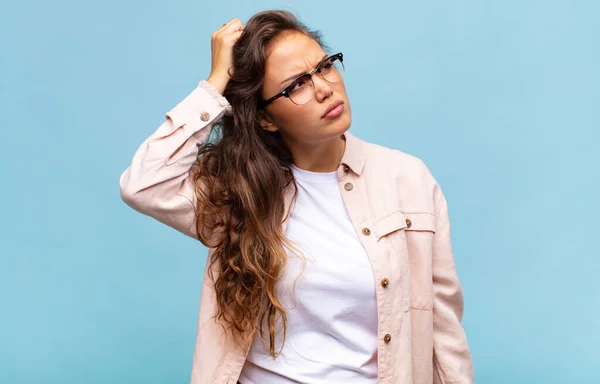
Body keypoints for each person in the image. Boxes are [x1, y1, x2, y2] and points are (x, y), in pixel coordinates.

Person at [119, 10, 474, 384]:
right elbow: (143, 184)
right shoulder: (239, 191)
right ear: (266, 119)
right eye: (296, 85)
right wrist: (215, 84)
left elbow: (443, 328)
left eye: (324, 66)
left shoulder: (407, 179)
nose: (324, 88)